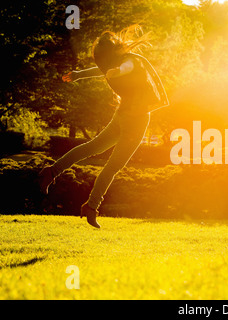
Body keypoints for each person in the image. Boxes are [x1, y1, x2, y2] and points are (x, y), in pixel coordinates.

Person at [38, 27, 169, 228]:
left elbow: (125, 68)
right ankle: (91, 207)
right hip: (135, 119)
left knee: (92, 148)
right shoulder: (123, 60)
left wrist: (84, 74)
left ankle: (51, 172)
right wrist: (80, 75)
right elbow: (118, 68)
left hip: (122, 114)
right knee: (112, 166)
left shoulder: (125, 62)